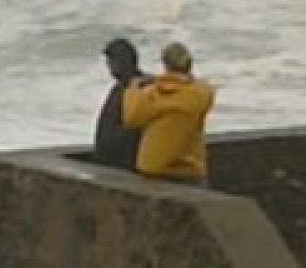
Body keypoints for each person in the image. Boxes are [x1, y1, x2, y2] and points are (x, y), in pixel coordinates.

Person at [121, 41, 216, 184]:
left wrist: (132, 89)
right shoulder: (201, 93)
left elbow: (132, 117)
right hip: (189, 167)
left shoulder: (152, 94)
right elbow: (202, 89)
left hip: (155, 167)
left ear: (165, 64)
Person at [92, 37, 144, 171]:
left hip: (124, 164)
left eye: (111, 61)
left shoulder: (140, 88)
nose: (108, 65)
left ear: (123, 62)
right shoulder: (120, 87)